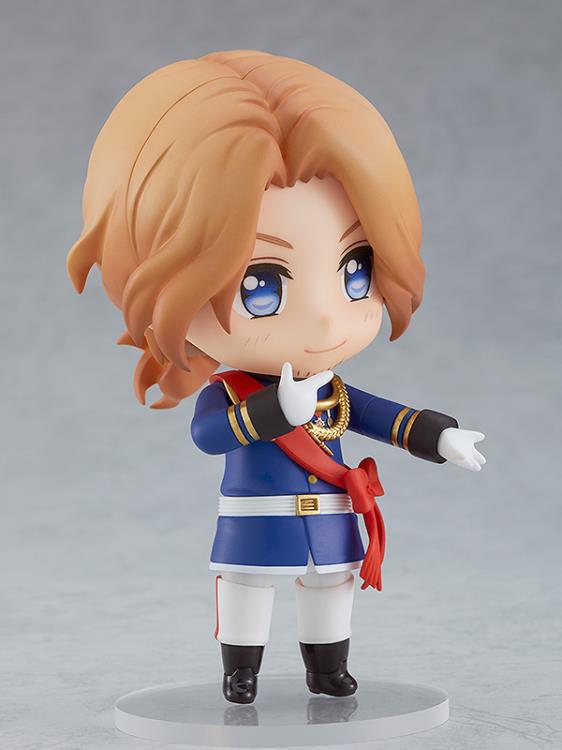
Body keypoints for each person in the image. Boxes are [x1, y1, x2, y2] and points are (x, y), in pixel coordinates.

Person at [67, 50, 486, 704]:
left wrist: (439, 436)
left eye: (355, 270)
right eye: (261, 284)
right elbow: (209, 436)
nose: (324, 318)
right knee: (247, 592)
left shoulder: (330, 390)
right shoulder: (230, 393)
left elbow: (383, 416)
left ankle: (328, 668)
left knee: (331, 591)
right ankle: (242, 671)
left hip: (333, 518)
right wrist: (274, 413)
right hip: (256, 523)